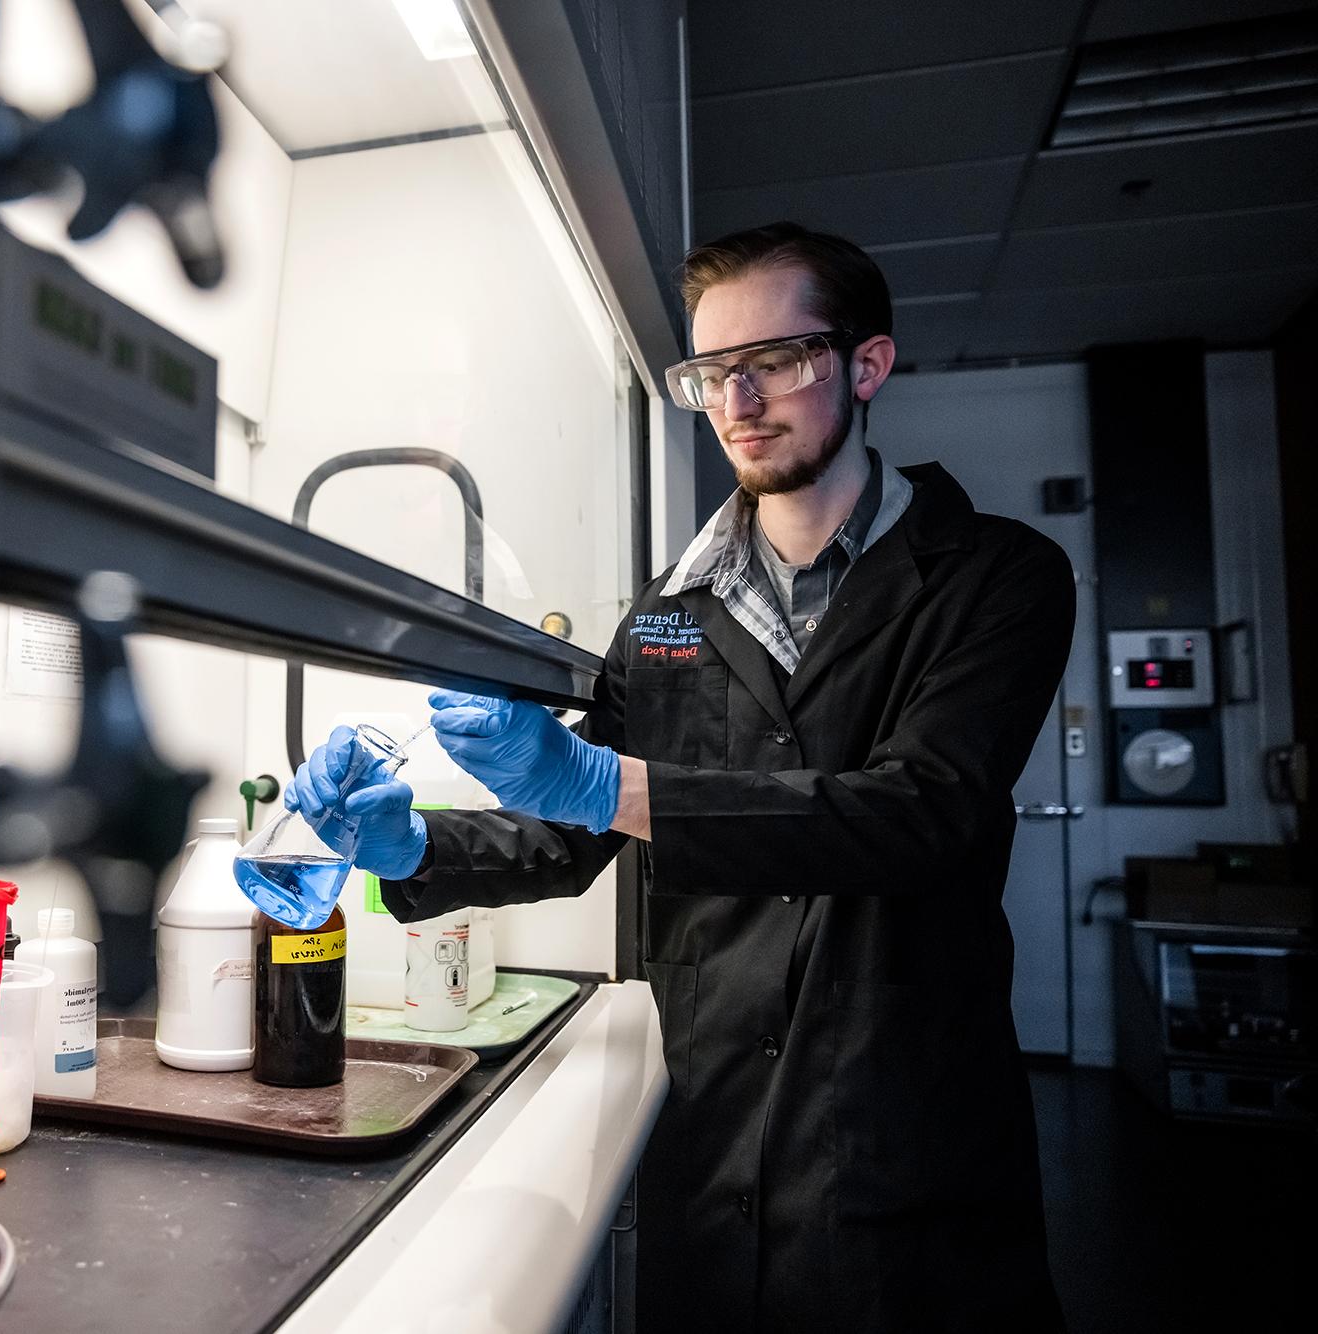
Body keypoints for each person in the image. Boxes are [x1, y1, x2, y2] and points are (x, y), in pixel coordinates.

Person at [284, 222, 1073, 1332]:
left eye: (778, 360)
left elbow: (918, 813)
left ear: (863, 364)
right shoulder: (666, 614)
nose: (737, 399)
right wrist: (407, 846)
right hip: (715, 1122)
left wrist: (607, 784)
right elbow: (566, 836)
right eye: (710, 372)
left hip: (908, 1114)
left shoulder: (995, 575)